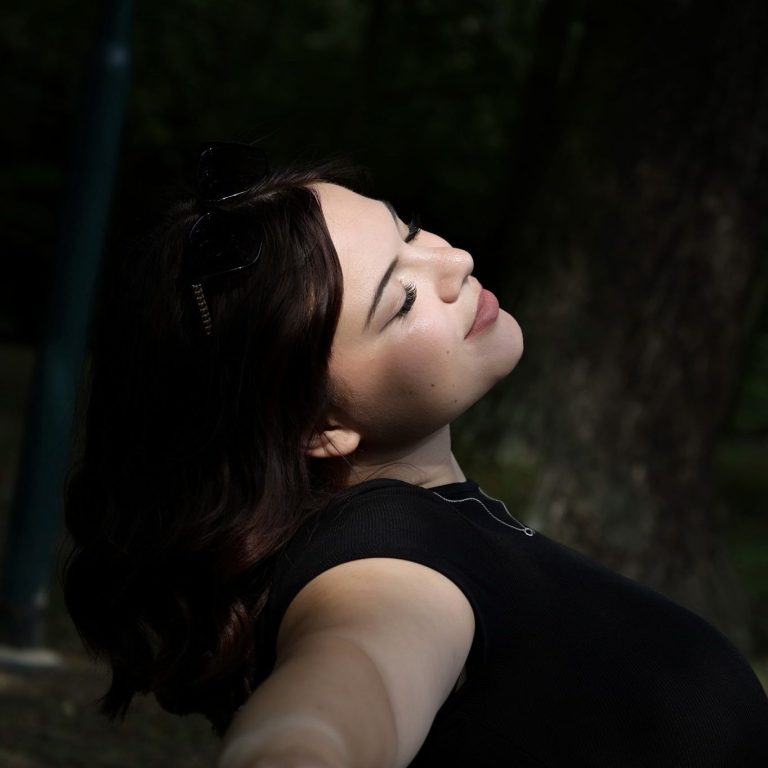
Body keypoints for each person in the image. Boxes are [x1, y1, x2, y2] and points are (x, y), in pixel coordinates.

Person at [64, 143, 768, 768]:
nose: (454, 261)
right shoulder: (387, 563)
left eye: (408, 229)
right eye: (401, 300)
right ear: (317, 425)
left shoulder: (433, 523)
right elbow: (344, 689)